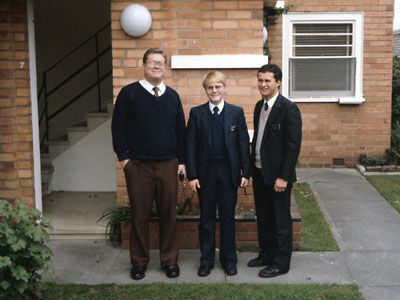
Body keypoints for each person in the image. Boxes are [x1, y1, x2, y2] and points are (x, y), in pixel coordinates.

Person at [111, 48, 186, 280]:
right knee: (140, 216)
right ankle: (139, 262)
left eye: (160, 63)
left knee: (168, 215)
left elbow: (180, 131)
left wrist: (181, 162)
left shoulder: (172, 96)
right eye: (152, 62)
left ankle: (169, 261)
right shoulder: (129, 94)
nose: (156, 67)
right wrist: (124, 159)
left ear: (165, 68)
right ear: (143, 65)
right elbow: (118, 128)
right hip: (138, 166)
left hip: (167, 164)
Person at [186, 71, 250, 277]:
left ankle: (229, 260)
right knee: (206, 218)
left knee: (227, 218)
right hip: (205, 173)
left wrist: (245, 173)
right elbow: (191, 146)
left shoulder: (236, 112)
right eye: (210, 87)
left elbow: (242, 145)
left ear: (224, 88)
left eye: (218, 86)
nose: (214, 91)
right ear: (205, 90)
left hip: (228, 172)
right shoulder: (197, 113)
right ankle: (206, 261)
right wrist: (192, 175)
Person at [247, 64, 302, 278]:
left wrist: (284, 177)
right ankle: (266, 254)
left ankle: (281, 263)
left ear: (278, 82)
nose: (263, 84)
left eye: (267, 80)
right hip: (260, 172)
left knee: (280, 220)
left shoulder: (289, 109)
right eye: (260, 80)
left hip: (279, 177)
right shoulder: (258, 106)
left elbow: (293, 145)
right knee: (264, 218)